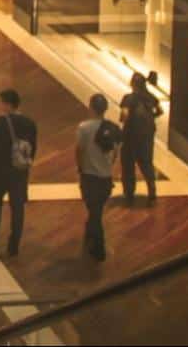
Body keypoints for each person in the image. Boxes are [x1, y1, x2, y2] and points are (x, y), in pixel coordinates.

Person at [0, 88, 37, 256]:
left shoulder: (0, 122)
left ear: (7, 104)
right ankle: (14, 244)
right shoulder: (30, 123)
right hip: (19, 172)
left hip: (0, 170)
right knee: (17, 208)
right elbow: (33, 149)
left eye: (2, 103)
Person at [75, 93, 120, 262]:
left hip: (90, 176)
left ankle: (99, 248)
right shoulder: (114, 128)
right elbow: (116, 152)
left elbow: (79, 150)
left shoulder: (84, 128)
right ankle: (89, 236)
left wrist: (80, 167)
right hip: (106, 178)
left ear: (91, 107)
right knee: (96, 210)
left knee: (94, 212)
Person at [119, 71, 161, 204]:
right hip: (147, 135)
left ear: (133, 84)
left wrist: (122, 121)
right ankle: (152, 189)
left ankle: (129, 193)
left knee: (128, 164)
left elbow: (124, 114)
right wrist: (152, 117)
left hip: (131, 135)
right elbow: (160, 111)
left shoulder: (128, 98)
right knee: (146, 162)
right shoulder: (151, 97)